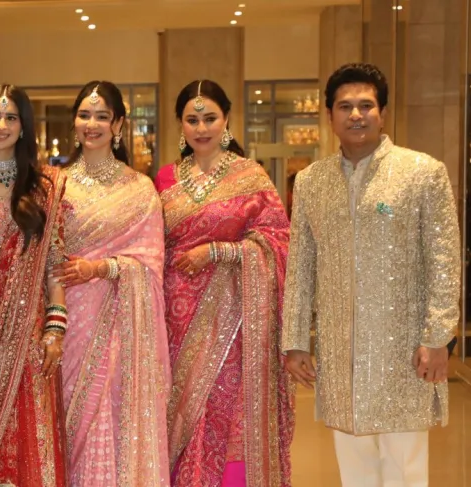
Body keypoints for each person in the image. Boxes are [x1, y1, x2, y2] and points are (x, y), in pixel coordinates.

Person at [283, 63, 460, 487]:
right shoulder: (311, 182)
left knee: (404, 466)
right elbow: (301, 265)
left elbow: (444, 259)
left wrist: (438, 336)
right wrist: (295, 339)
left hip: (405, 350)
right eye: (345, 106)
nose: (356, 115)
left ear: (383, 113)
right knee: (355, 467)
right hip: (340, 351)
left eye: (366, 105)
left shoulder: (422, 173)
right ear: (330, 115)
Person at [155, 80, 294, 487]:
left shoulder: (251, 176)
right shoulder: (164, 178)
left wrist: (219, 252)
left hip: (235, 319)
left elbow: (278, 241)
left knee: (226, 407)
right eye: (192, 119)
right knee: (181, 409)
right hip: (175, 316)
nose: (201, 128)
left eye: (210, 118)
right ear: (180, 124)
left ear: (227, 119)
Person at [49, 80, 170, 486]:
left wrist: (101, 268)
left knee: (109, 414)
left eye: (102, 116)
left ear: (118, 125)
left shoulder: (140, 189)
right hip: (67, 322)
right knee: (67, 418)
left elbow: (150, 264)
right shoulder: (55, 185)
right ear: (74, 122)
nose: (92, 124)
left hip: (118, 323)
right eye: (85, 115)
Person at [0, 84, 68, 487]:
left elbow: (54, 262)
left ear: (24, 126)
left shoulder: (44, 188)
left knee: (29, 442)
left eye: (11, 117)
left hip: (28, 336)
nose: (1, 125)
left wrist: (55, 328)